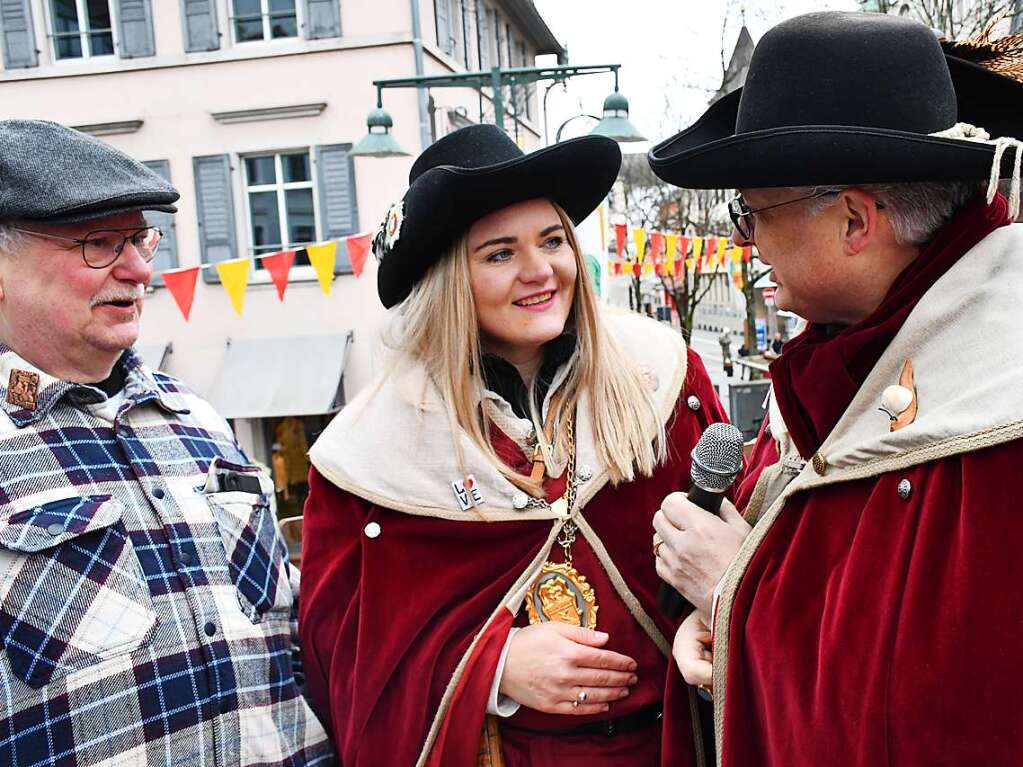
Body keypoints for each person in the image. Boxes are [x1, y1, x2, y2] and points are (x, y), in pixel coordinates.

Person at [646, 11, 1023, 766]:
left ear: (853, 219)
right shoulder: (839, 357)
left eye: (750, 214)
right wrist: (719, 631)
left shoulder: (999, 420)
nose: (741, 244)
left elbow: (939, 718)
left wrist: (734, 592)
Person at [298, 124, 730, 767]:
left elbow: (736, 549)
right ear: (449, 280)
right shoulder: (370, 453)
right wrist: (493, 668)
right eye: (499, 254)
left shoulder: (664, 379)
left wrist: (713, 614)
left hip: (676, 747)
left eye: (552, 240)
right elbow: (347, 656)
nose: (540, 271)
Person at [0, 120, 333, 766]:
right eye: (99, 243)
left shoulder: (201, 420)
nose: (140, 268)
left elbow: (293, 637)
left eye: (140, 238)